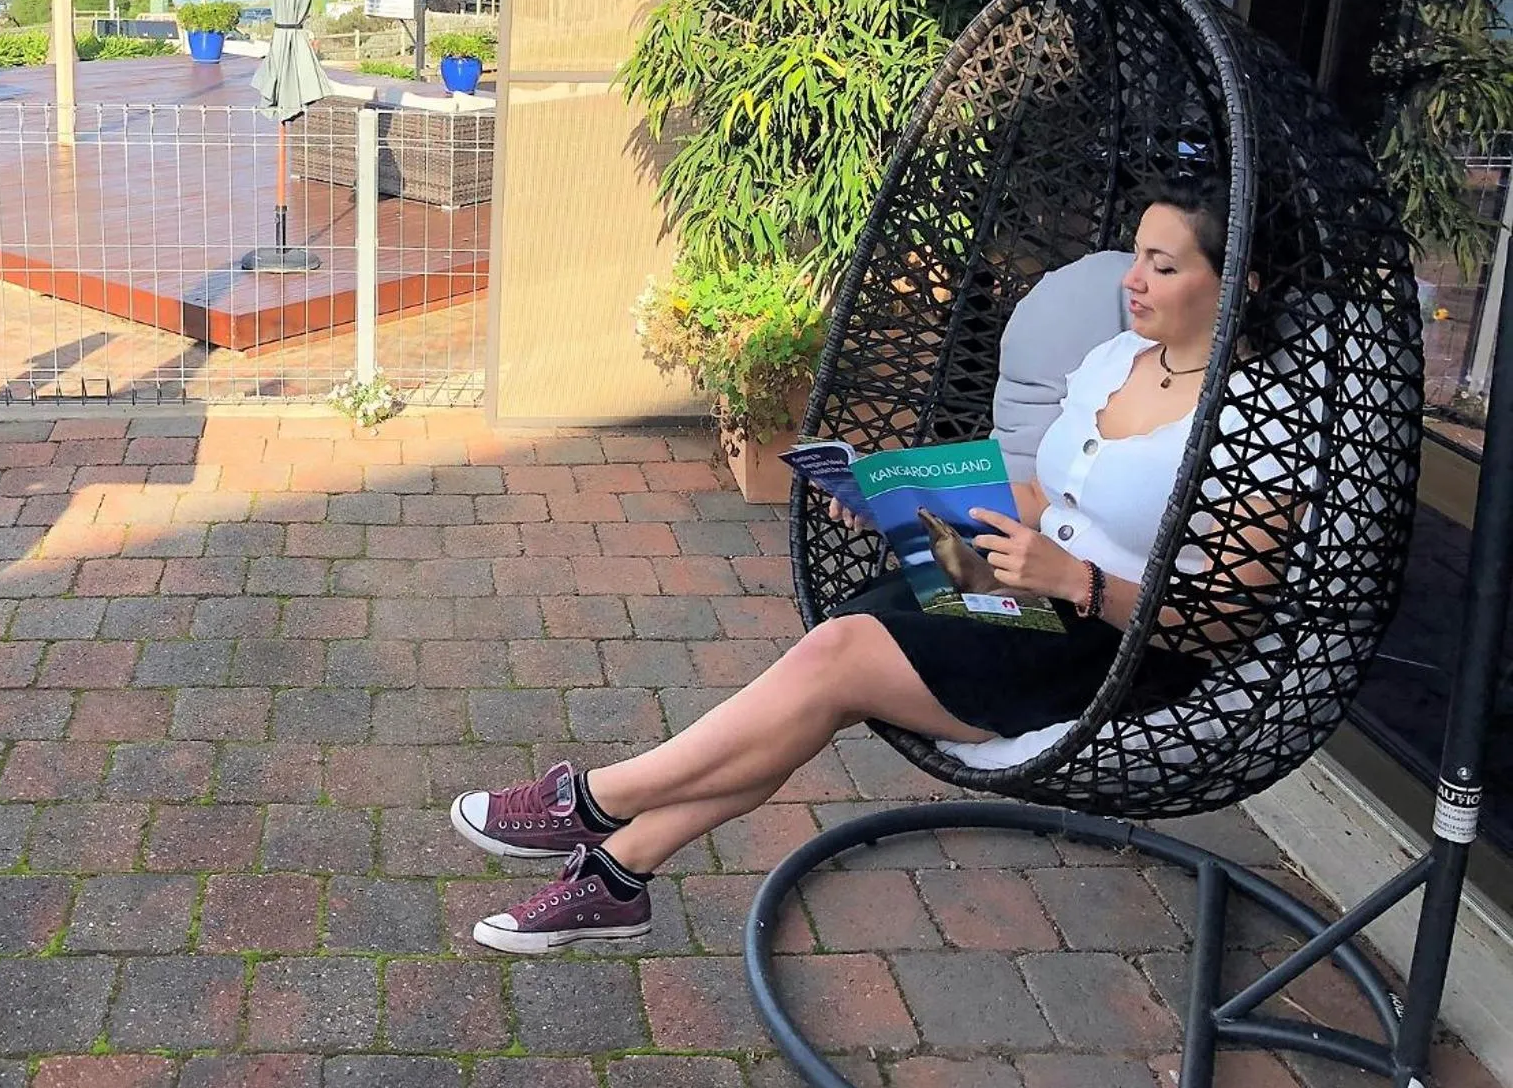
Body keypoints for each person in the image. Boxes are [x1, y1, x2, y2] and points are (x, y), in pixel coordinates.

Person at [448, 176, 1262, 953]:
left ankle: (593, 802)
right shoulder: (1117, 359)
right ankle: (618, 874)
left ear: (1235, 286)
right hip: (1024, 583)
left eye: (1164, 264)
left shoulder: (1260, 419)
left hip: (1113, 644)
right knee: (815, 686)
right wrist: (904, 495)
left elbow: (1226, 617)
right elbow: (1049, 495)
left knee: (834, 661)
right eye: (1137, 255)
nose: (1134, 280)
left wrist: (1075, 582)